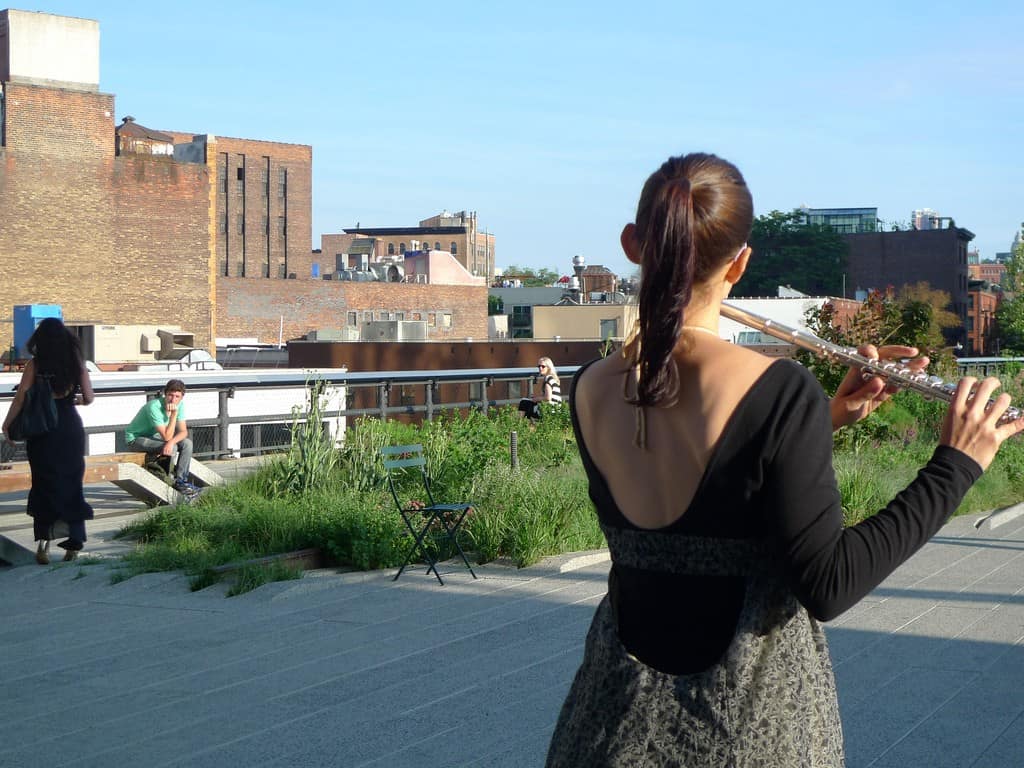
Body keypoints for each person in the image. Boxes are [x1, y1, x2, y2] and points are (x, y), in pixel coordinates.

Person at [544, 153, 1024, 767]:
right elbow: (828, 583)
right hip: (746, 734)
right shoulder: (776, 389)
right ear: (740, 263)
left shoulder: (588, 387)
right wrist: (957, 462)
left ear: (635, 245)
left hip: (608, 728)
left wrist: (815, 423)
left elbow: (700, 497)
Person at [1, 318, 95, 563]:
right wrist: (76, 401)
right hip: (69, 428)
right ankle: (74, 542)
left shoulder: (35, 365)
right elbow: (89, 397)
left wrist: (7, 424)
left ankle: (44, 543)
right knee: (72, 483)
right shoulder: (76, 364)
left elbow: (21, 398)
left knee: (44, 483)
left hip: (43, 431)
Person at [125, 378, 198, 495]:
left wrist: (171, 441)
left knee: (187, 443)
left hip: (156, 437)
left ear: (182, 397)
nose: (173, 400)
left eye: (177, 396)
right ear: (165, 394)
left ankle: (181, 481)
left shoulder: (180, 405)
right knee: (172, 447)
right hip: (136, 439)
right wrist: (174, 415)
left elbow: (183, 432)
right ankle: (167, 482)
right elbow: (167, 437)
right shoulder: (154, 406)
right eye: (170, 395)